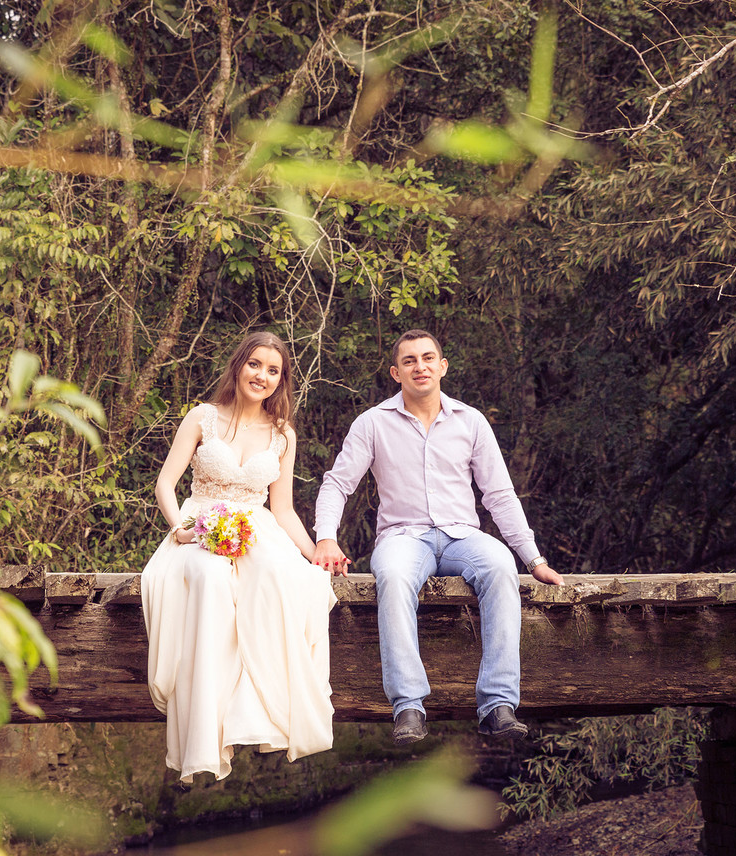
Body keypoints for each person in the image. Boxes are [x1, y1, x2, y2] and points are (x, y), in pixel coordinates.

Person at [313, 329, 563, 745]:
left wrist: (533, 559)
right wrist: (326, 538)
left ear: (442, 366)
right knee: (393, 576)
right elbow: (337, 484)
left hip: (463, 537)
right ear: (396, 373)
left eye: (428, 358)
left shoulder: (471, 421)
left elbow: (499, 495)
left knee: (500, 565)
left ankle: (498, 705)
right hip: (403, 537)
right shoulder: (373, 423)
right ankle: (408, 706)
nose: (420, 366)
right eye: (409, 360)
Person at [141, 332, 337, 783]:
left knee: (281, 580)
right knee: (210, 581)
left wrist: (315, 553)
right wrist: (181, 530)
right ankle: (207, 727)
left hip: (257, 529)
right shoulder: (203, 417)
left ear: (281, 380)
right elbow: (165, 484)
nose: (262, 376)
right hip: (198, 524)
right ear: (239, 366)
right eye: (255, 364)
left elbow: (282, 509)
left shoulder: (282, 434)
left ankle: (258, 715)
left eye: (273, 370)